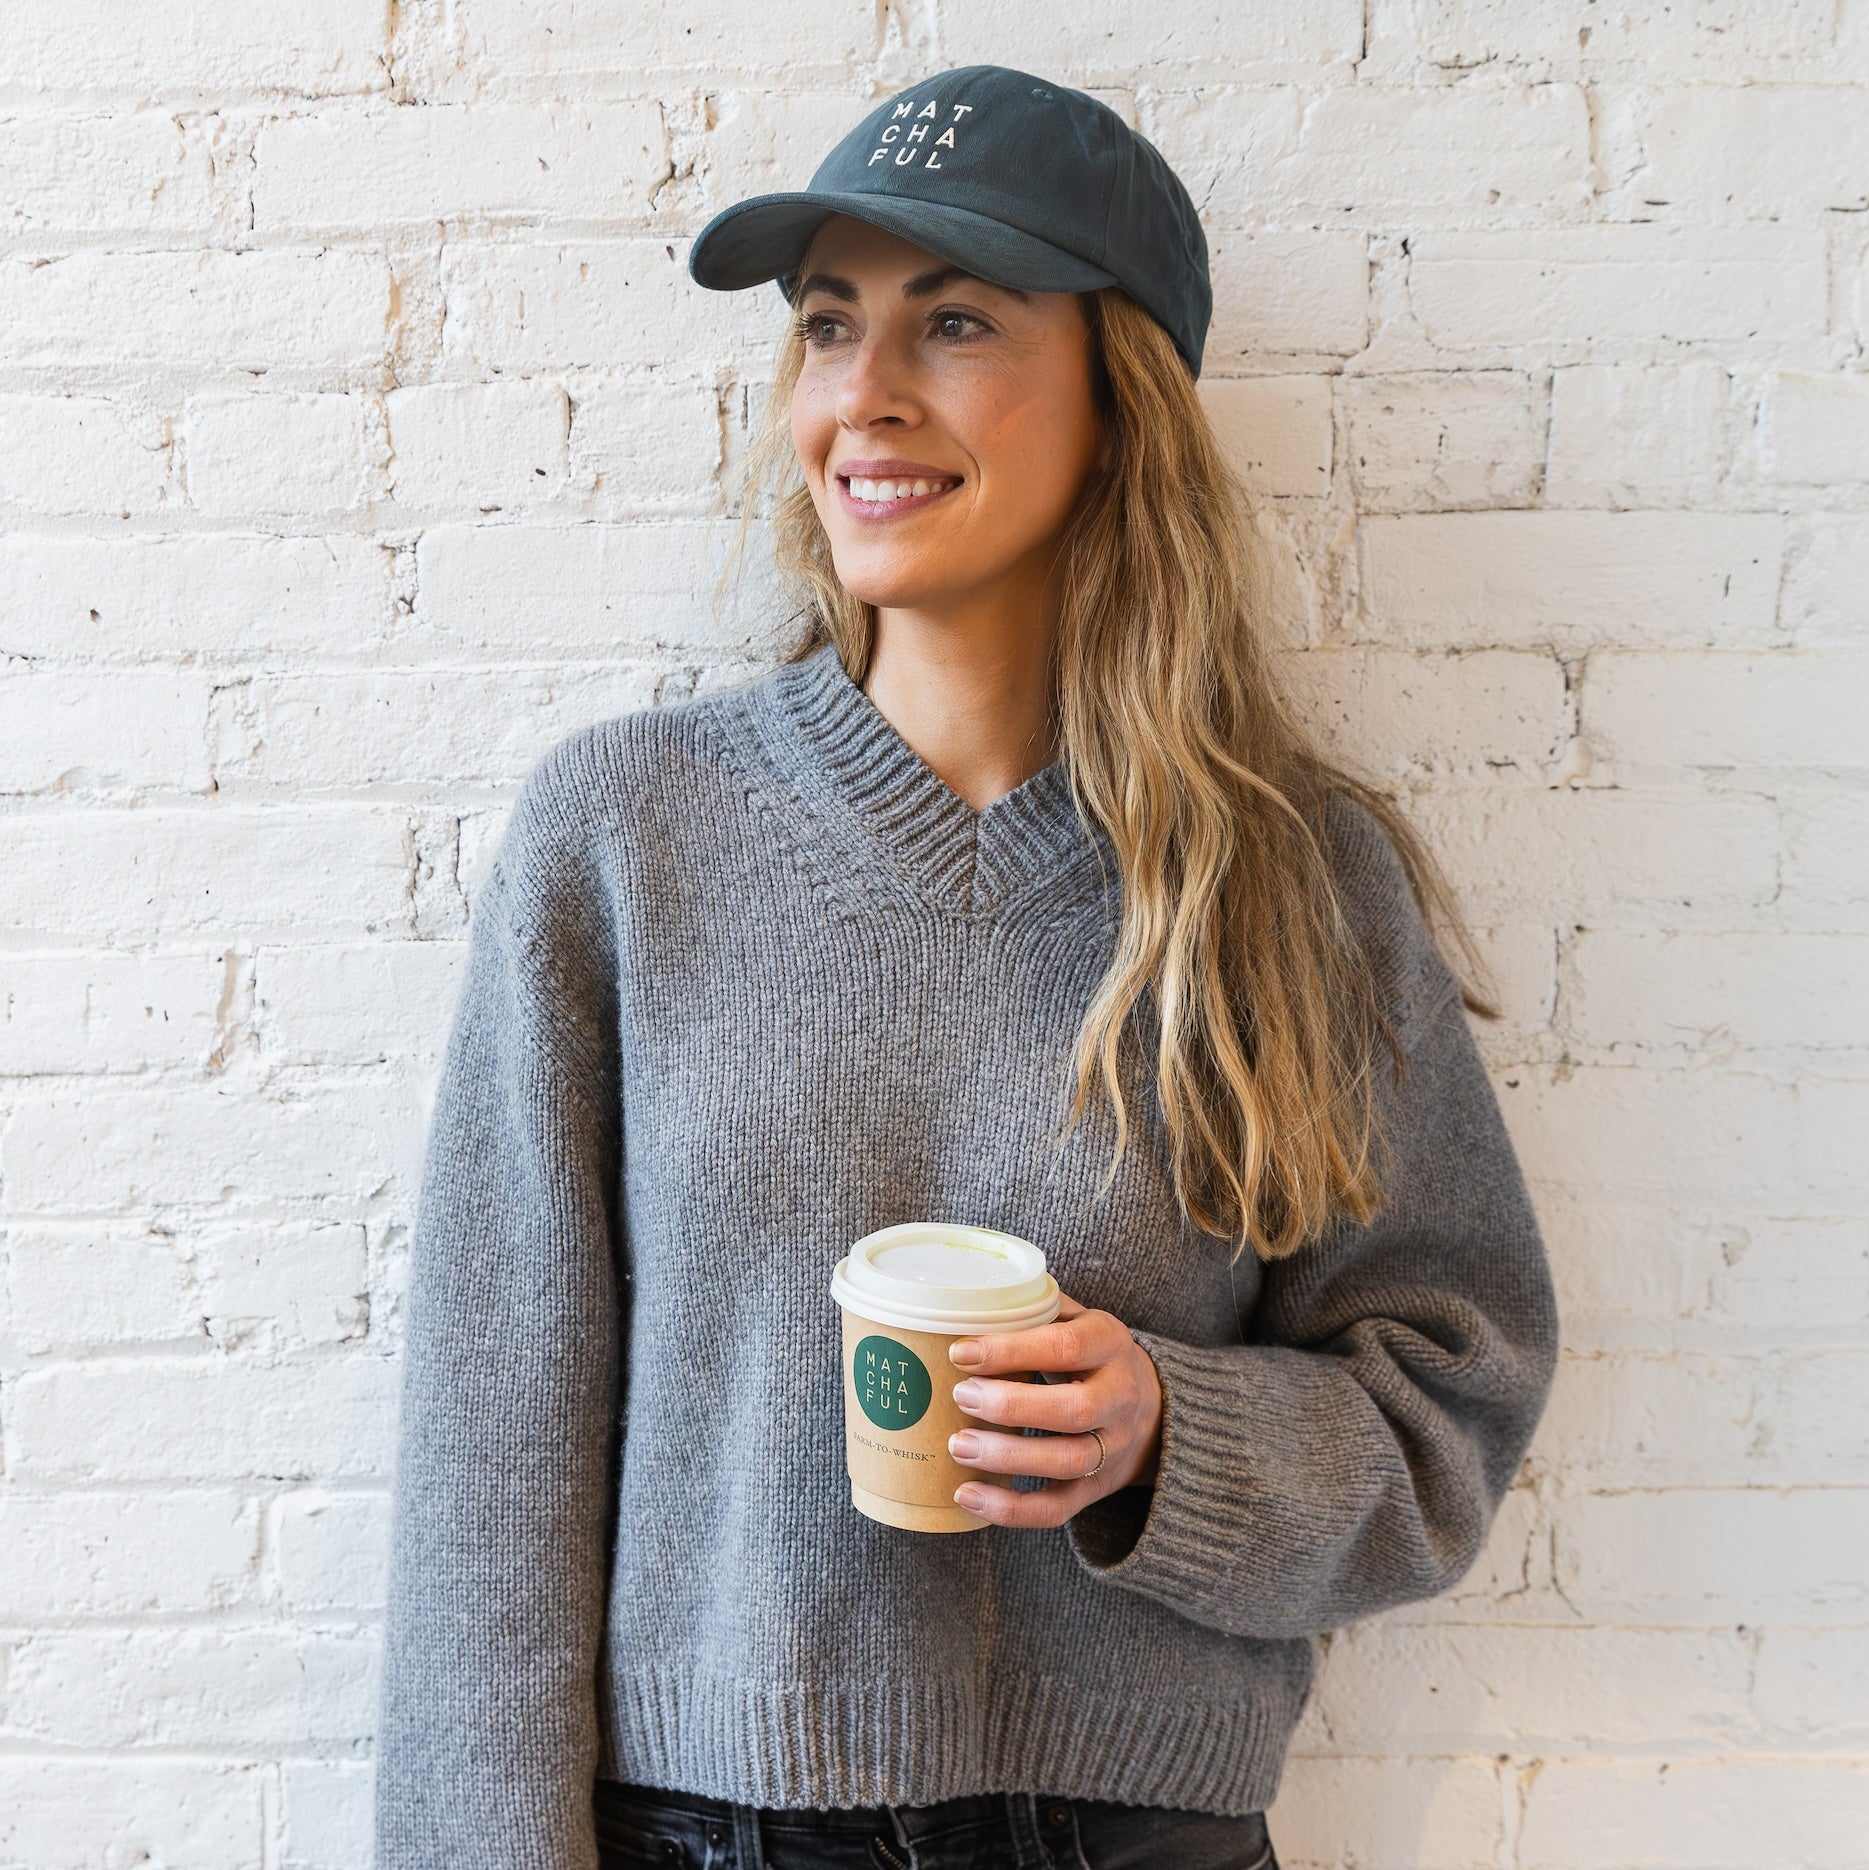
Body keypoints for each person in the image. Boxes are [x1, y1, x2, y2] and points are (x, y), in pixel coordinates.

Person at [372, 63, 1559, 1870]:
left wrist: (1166, 1432)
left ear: (1119, 400)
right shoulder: (624, 838)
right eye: (826, 323)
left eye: (953, 320)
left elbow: (1448, 1397)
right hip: (706, 1833)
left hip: (1139, 1833)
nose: (863, 390)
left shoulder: (1291, 880)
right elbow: (491, 1466)